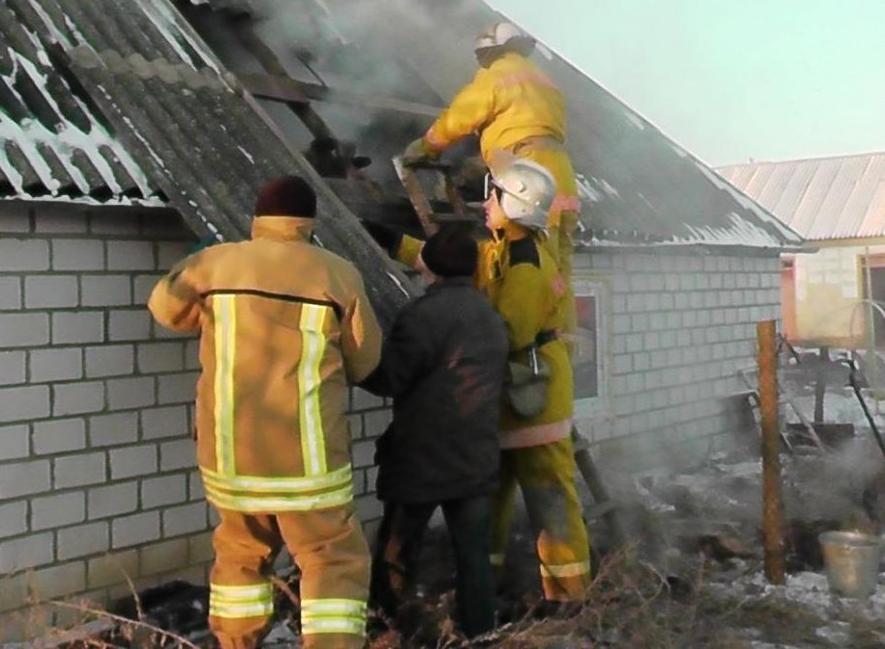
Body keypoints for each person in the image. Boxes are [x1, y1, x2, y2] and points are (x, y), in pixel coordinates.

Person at [147, 175, 382, 649]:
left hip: (232, 458)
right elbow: (365, 362)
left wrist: (199, 275)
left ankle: (236, 642)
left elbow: (165, 310)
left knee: (240, 552)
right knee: (332, 559)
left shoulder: (215, 263)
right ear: (308, 222)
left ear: (258, 217)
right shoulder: (338, 274)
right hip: (310, 464)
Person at [371, 158, 591, 604]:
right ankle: (487, 589)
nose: (486, 203)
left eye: (494, 196)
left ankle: (568, 598)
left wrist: (448, 336)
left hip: (534, 405)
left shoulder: (527, 264)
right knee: (491, 504)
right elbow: (450, 261)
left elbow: (510, 334)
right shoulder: (503, 251)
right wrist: (390, 240)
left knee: (549, 501)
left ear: (516, 205)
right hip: (504, 404)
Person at [360, 226, 509, 638]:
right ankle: (481, 634)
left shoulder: (422, 316)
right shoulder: (490, 315)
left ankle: (391, 631)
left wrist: (352, 357)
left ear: (431, 265)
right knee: (473, 556)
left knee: (398, 552)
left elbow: (390, 378)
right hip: (475, 456)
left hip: (420, 458)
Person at [402, 20, 580, 294]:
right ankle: (558, 317)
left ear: (491, 51)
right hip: (560, 171)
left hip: (526, 171)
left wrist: (426, 147)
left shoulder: (496, 76)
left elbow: (460, 117)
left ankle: (520, 316)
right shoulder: (543, 81)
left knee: (525, 258)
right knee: (559, 266)